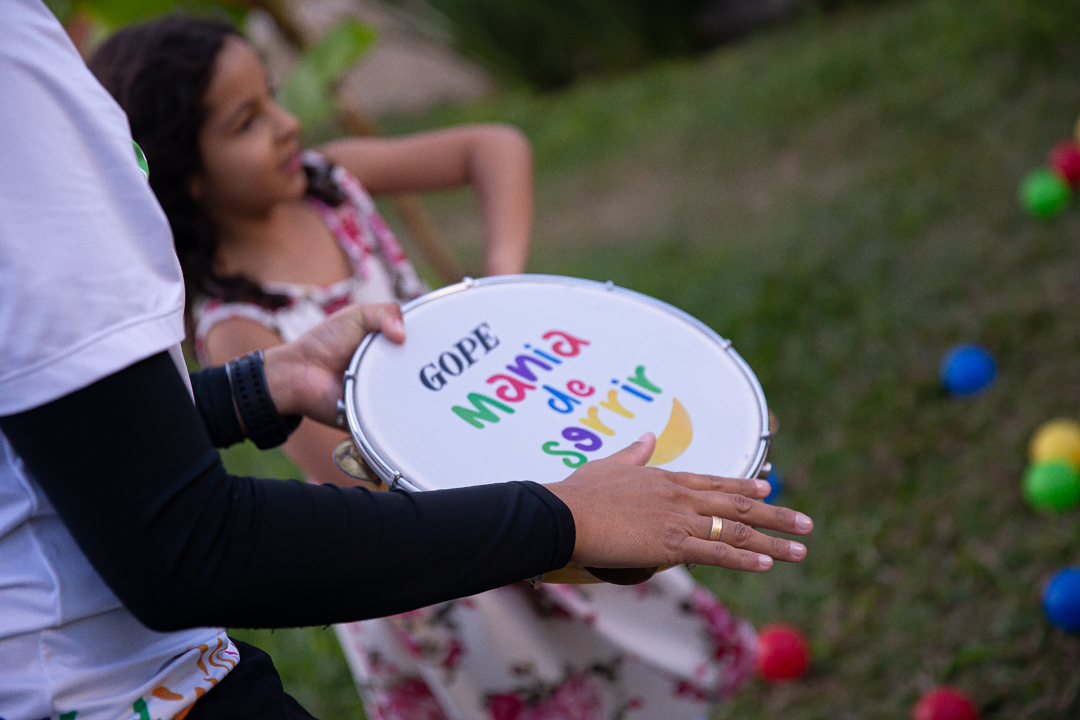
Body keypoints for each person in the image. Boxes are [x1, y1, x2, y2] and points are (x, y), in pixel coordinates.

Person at [87, 17, 812, 720]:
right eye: (246, 121)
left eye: (272, 96)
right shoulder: (235, 324)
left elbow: (495, 147)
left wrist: (502, 284)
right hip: (444, 556)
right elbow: (354, 478)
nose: (285, 123)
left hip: (521, 460)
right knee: (537, 682)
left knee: (621, 638)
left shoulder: (329, 183)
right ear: (183, 173)